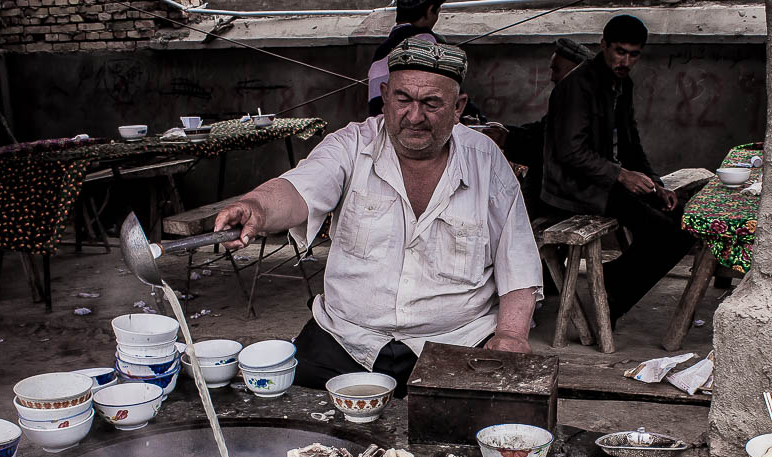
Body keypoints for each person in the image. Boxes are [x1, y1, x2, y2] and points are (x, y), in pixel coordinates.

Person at [214, 39, 543, 395]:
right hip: (347, 338)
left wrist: (510, 335)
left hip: (456, 342)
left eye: (432, 103)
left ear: (458, 106)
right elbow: (298, 189)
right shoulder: (350, 145)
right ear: (385, 95)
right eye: (403, 100)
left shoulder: (486, 161)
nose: (415, 116)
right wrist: (258, 207)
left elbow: (518, 262)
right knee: (290, 416)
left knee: (479, 430)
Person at [541, 15, 695, 326]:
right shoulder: (577, 86)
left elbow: (631, 145)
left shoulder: (622, 84)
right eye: (620, 51)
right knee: (664, 234)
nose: (626, 60)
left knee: (683, 219)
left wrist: (656, 184)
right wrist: (621, 175)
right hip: (572, 188)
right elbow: (569, 153)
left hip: (604, 182)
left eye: (634, 54)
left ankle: (614, 278)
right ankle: (611, 303)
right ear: (603, 45)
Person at [497, 38, 592, 208]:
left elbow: (546, 148)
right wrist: (504, 132)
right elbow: (540, 131)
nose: (552, 78)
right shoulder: (569, 102)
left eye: (557, 70)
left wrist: (507, 139)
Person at [366, 0, 445, 117]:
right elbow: (449, 90)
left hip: (379, 127)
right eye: (438, 11)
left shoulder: (381, 51)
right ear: (429, 11)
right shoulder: (429, 42)